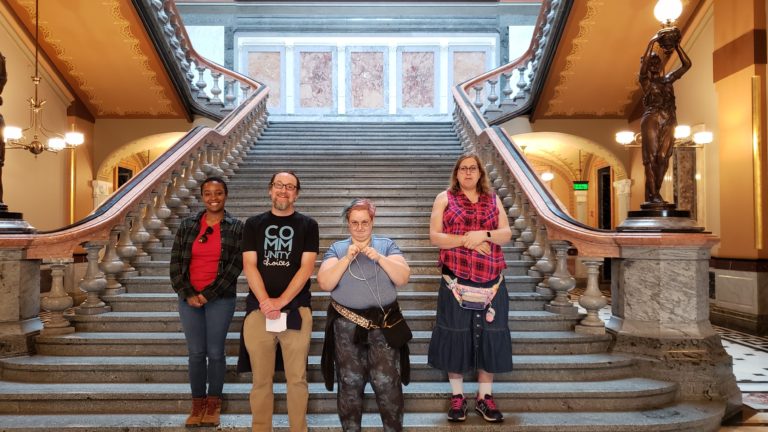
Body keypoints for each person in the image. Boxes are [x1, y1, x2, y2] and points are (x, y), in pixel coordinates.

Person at [427, 154, 513, 423]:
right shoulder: (444, 198)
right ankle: (457, 397)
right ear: (456, 173)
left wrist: (484, 235)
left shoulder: (493, 199)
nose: (467, 173)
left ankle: (484, 397)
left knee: (491, 335)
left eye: (472, 168)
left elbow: (506, 234)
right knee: (456, 336)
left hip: (492, 281)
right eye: (463, 169)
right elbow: (435, 236)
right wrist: (468, 240)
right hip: (456, 281)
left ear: (479, 173)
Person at [318, 198, 412, 432]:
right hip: (346, 327)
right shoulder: (337, 249)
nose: (359, 228)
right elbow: (325, 282)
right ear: (348, 224)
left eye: (364, 223)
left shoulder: (387, 245)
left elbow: (402, 278)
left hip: (384, 326)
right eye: (354, 223)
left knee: (387, 384)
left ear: (372, 222)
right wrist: (347, 258)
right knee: (350, 384)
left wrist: (379, 258)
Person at [239, 171, 319, 432]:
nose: (284, 191)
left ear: (296, 193)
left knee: (297, 379)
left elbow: (306, 268)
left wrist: (281, 301)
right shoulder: (253, 224)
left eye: (290, 187)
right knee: (261, 380)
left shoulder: (308, 225)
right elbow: (249, 265)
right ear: (269, 189)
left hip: (297, 311)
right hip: (258, 312)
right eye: (279, 185)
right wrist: (265, 302)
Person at [169, 176, 244, 428]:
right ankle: (197, 404)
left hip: (220, 298)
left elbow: (235, 266)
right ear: (202, 196)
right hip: (188, 297)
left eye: (219, 193)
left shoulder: (236, 227)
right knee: (196, 354)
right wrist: (188, 292)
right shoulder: (188, 225)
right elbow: (176, 263)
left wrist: (208, 294)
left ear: (226, 195)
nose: (214, 198)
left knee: (215, 352)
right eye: (209, 193)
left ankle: (213, 406)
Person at [639, 26, 691, 207]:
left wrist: (677, 45)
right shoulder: (645, 81)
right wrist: (652, 42)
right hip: (652, 117)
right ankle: (653, 195)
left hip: (669, 118)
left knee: (663, 157)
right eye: (650, 62)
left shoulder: (668, 79)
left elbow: (687, 65)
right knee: (651, 156)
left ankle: (656, 193)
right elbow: (644, 69)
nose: (654, 64)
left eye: (656, 61)